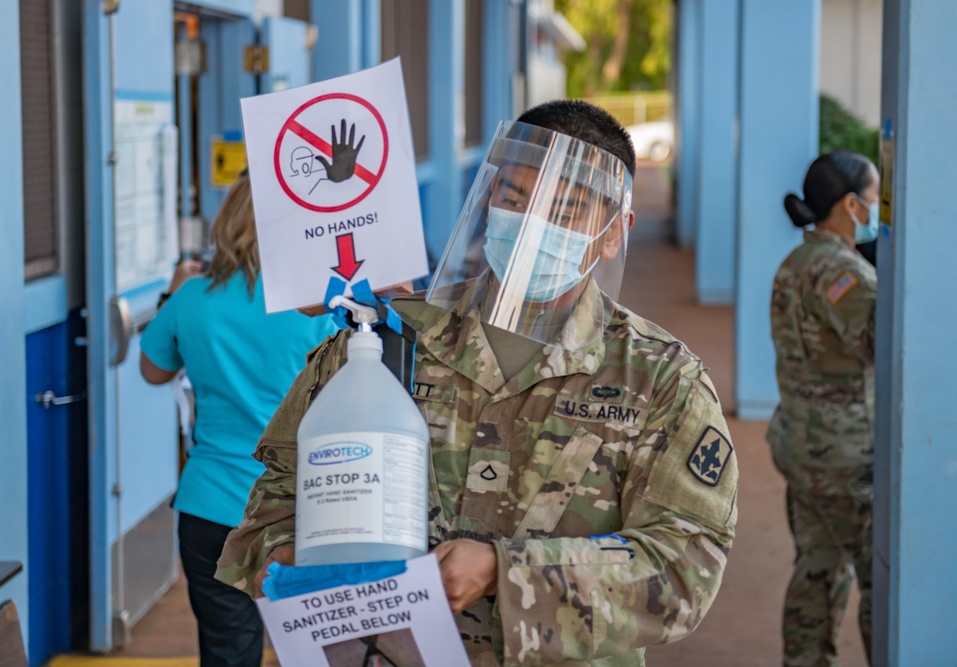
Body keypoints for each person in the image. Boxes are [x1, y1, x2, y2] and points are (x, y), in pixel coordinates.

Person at [216, 100, 738, 666]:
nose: (532, 224)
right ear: (489, 202)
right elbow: (275, 501)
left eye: (564, 209)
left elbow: (685, 567)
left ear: (615, 232)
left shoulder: (661, 380)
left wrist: (502, 571)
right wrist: (292, 561)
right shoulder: (389, 338)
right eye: (514, 199)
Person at [139, 172, 338, 667]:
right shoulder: (321, 305)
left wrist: (173, 294)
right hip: (302, 509)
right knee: (315, 648)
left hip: (211, 506)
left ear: (225, 225)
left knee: (229, 649)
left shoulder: (191, 298)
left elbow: (153, 370)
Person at [767, 150, 879, 667]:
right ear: (853, 205)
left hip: (800, 443)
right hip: (844, 456)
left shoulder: (798, 261)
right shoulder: (841, 271)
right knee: (881, 582)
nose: (881, 207)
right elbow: (882, 344)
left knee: (817, 565)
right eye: (876, 197)